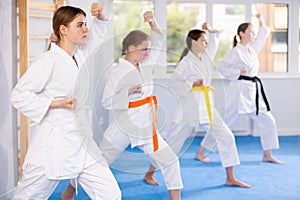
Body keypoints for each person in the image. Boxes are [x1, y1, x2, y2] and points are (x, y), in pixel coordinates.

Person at [62, 11, 183, 200]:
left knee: (171, 160)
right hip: (122, 125)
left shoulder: (145, 63)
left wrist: (152, 21)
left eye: (148, 50)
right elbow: (106, 100)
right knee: (97, 162)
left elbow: (159, 40)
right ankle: (68, 192)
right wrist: (128, 92)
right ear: (131, 48)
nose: (148, 53)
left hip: (145, 125)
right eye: (144, 49)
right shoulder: (118, 71)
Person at [11, 3, 121, 200]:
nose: (85, 28)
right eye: (80, 25)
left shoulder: (79, 54)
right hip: (53, 144)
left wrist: (101, 16)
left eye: (85, 23)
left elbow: (97, 35)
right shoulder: (48, 61)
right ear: (63, 29)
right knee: (28, 197)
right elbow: (19, 95)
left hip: (82, 142)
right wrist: (56, 103)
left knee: (111, 194)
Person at [144, 23, 250, 188]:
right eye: (204, 41)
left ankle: (230, 177)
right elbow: (174, 83)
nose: (206, 44)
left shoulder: (206, 58)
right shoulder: (186, 62)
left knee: (227, 136)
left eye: (207, 41)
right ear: (194, 42)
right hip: (189, 108)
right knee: (173, 144)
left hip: (207, 107)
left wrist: (212, 32)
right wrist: (191, 84)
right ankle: (149, 173)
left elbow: (214, 44)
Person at [218, 13, 282, 164]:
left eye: (253, 32)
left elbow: (262, 35)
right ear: (242, 33)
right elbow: (222, 67)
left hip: (253, 90)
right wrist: (237, 72)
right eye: (250, 32)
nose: (253, 34)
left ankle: (267, 153)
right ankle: (203, 149)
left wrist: (261, 19)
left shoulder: (252, 49)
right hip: (238, 91)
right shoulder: (235, 51)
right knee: (227, 123)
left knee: (268, 120)